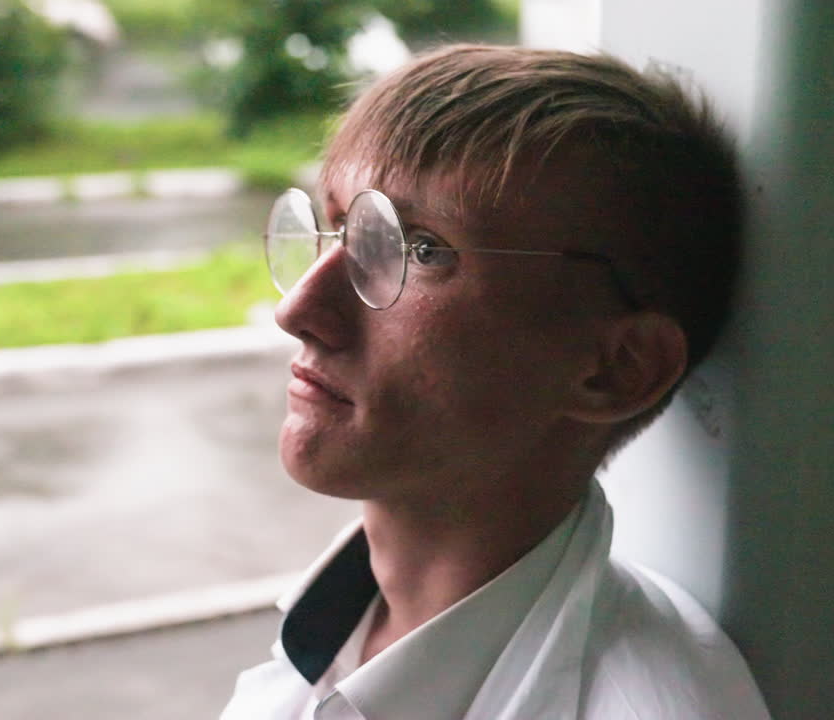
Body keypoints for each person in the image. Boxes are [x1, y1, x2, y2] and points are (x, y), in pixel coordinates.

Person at [221, 44, 770, 719]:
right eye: (340, 227)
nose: (299, 311)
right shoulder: (317, 647)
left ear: (614, 369)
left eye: (420, 249)